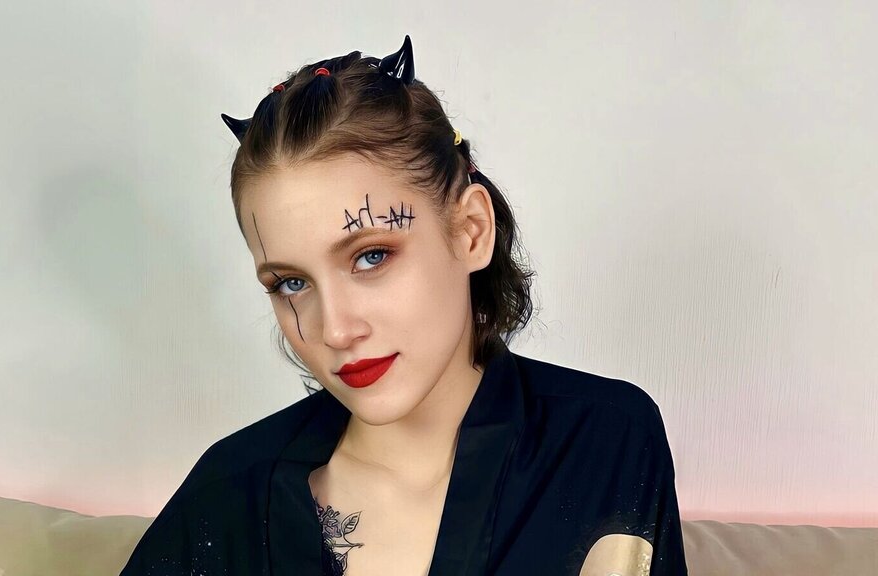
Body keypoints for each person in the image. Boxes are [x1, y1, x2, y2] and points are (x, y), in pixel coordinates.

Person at [119, 35, 688, 576]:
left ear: (470, 230)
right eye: (291, 283)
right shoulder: (227, 498)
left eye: (371, 257)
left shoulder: (605, 443)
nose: (336, 330)